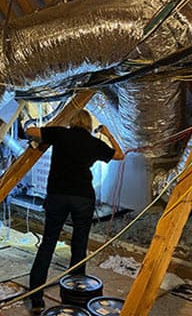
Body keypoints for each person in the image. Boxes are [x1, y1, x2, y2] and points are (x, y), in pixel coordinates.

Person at [25, 109, 124, 314]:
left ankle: (36, 299)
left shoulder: (60, 133)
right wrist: (107, 133)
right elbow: (120, 155)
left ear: (72, 121)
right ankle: (76, 300)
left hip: (57, 196)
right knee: (79, 247)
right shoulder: (93, 143)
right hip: (83, 198)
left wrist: (44, 130)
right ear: (88, 125)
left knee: (48, 244)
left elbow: (32, 130)